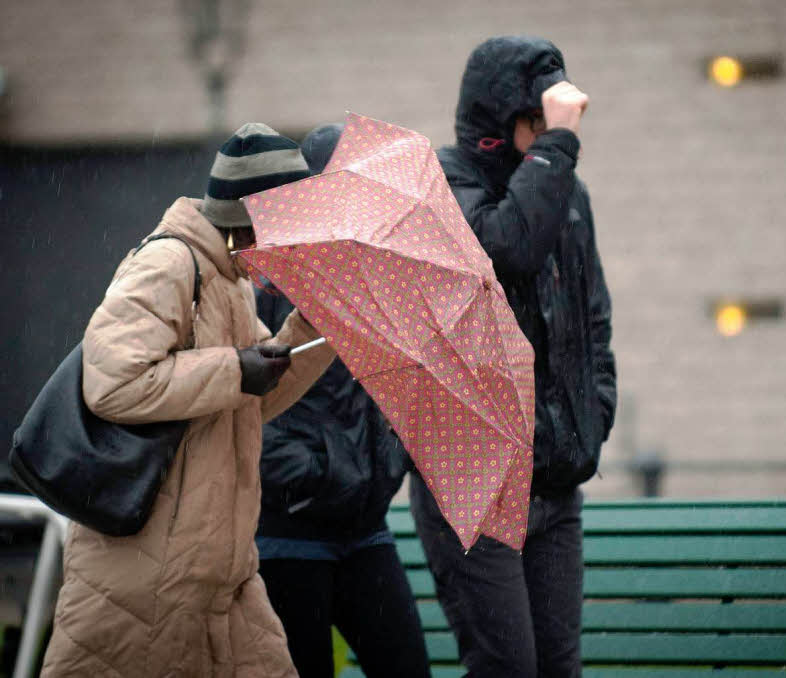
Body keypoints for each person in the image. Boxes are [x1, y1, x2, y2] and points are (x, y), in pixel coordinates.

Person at [40, 123, 336, 678]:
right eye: (289, 224)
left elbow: (246, 400)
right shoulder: (170, 263)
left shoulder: (232, 280)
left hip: (223, 578)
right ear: (251, 218)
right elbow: (112, 384)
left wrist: (318, 328)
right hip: (145, 581)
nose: (296, 243)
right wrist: (233, 368)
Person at [409, 35, 617, 678]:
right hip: (473, 480)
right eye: (537, 123)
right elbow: (508, 247)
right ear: (498, 128)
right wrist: (558, 148)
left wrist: (594, 410)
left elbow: (595, 319)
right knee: (508, 668)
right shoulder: (442, 188)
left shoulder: (565, 194)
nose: (551, 135)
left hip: (553, 477)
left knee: (559, 668)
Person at [254, 123, 431, 678]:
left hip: (364, 525)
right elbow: (252, 403)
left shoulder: (383, 282)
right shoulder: (269, 281)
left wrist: (389, 459)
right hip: (290, 531)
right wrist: (305, 475)